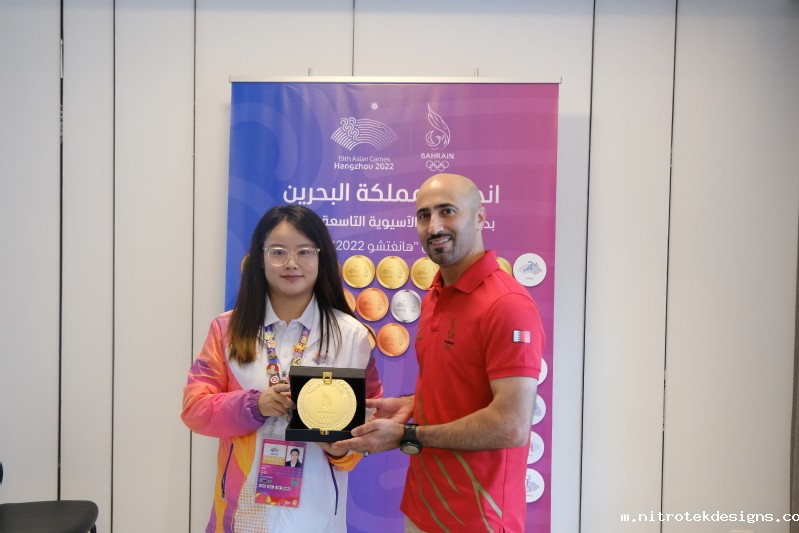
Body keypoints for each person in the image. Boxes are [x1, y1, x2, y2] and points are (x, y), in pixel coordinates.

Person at [334, 173, 545, 533]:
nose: (434, 226)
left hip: (478, 518)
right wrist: (412, 405)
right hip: (423, 506)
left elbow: (511, 425)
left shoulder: (507, 305)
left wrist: (409, 435)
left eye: (447, 211)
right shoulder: (434, 295)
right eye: (424, 215)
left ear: (480, 217)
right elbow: (461, 389)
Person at [182, 204, 383, 533]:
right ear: (260, 258)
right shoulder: (227, 329)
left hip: (317, 515)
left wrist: (343, 449)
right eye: (278, 252)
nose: (291, 263)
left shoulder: (353, 335)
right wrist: (254, 405)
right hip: (242, 512)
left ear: (321, 258)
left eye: (304, 251)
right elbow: (195, 409)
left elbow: (371, 417)